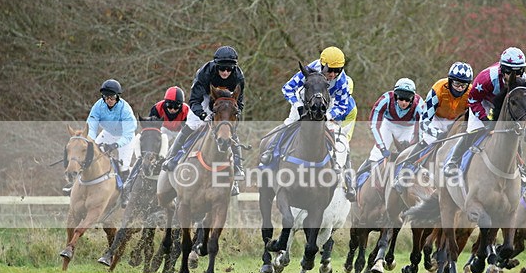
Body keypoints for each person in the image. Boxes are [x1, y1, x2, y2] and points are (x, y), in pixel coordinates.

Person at [260, 46, 357, 200]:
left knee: (340, 137)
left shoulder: (342, 80)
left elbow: (343, 105)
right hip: (303, 101)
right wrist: (298, 105)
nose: (333, 75)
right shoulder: (310, 69)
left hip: (326, 105)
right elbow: (287, 88)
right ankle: (271, 152)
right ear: (322, 65)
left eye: (337, 71)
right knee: (288, 124)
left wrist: (329, 115)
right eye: (330, 70)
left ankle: (339, 169)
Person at [161, 46, 246, 195]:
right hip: (205, 98)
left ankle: (238, 169)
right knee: (193, 125)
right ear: (216, 66)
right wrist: (202, 115)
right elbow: (194, 100)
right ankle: (172, 157)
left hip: (226, 102)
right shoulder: (205, 73)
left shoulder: (238, 77)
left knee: (229, 130)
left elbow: (239, 102)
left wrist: (234, 115)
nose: (226, 72)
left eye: (229, 69)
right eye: (222, 68)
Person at [443, 47, 526, 175]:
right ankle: (453, 161)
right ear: (502, 69)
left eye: (519, 72)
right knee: (475, 130)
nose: (514, 77)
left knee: (514, 132)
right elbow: (472, 99)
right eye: (509, 72)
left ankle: (521, 166)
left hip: (503, 105)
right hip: (482, 102)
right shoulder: (486, 78)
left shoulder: (523, 81)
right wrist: (485, 119)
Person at [64, 78, 138, 195]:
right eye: (106, 97)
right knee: (89, 156)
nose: (109, 100)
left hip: (125, 137)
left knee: (123, 166)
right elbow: (91, 127)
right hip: (107, 133)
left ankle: (125, 193)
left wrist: (115, 145)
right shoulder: (98, 106)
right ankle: (75, 185)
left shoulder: (125, 109)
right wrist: (89, 142)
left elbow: (128, 133)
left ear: (118, 96)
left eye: (112, 97)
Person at [120, 86, 188, 206]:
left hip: (180, 132)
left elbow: (187, 132)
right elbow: (150, 129)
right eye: (169, 106)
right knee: (146, 153)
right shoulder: (157, 108)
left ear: (181, 105)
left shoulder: (186, 110)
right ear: (165, 103)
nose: (172, 109)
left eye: (176, 106)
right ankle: (129, 182)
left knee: (180, 153)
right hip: (163, 131)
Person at [359, 78, 425, 176]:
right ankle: (358, 179)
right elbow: (373, 125)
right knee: (376, 155)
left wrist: (415, 142)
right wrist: (382, 148)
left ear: (413, 98)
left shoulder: (419, 105)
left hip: (408, 129)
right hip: (388, 126)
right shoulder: (385, 99)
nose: (404, 103)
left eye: (407, 99)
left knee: (408, 157)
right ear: (395, 96)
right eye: (401, 98)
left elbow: (422, 128)